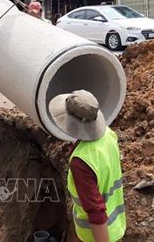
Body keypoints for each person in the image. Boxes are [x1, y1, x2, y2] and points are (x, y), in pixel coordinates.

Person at [48, 90, 126, 242]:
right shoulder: (109, 135)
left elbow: (96, 212)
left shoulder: (81, 162)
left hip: (96, 236)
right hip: (116, 227)